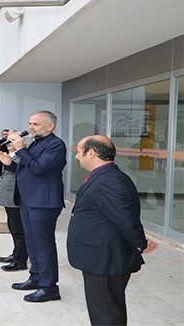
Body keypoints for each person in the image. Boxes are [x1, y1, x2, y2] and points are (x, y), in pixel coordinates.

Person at [68, 135, 158, 325]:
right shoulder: (106, 176)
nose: (77, 157)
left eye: (79, 152)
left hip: (104, 259)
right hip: (100, 256)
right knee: (106, 310)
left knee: (106, 314)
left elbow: (125, 218)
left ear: (91, 153)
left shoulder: (109, 180)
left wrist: (139, 242)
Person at [5, 110, 66, 303]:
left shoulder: (56, 145)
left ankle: (49, 288)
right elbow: (29, 168)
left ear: (50, 126)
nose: (31, 127)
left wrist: (21, 149)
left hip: (44, 202)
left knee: (44, 244)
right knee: (32, 242)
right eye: (30, 123)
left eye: (36, 124)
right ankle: (36, 277)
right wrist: (10, 163)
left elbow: (39, 169)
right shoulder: (36, 143)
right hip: (29, 200)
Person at [0, 135, 27, 271]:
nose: (7, 143)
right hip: (8, 197)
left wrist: (10, 165)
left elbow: (24, 172)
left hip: (15, 197)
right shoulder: (10, 155)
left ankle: (20, 260)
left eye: (12, 141)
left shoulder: (23, 155)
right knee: (13, 227)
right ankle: (16, 254)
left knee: (18, 230)